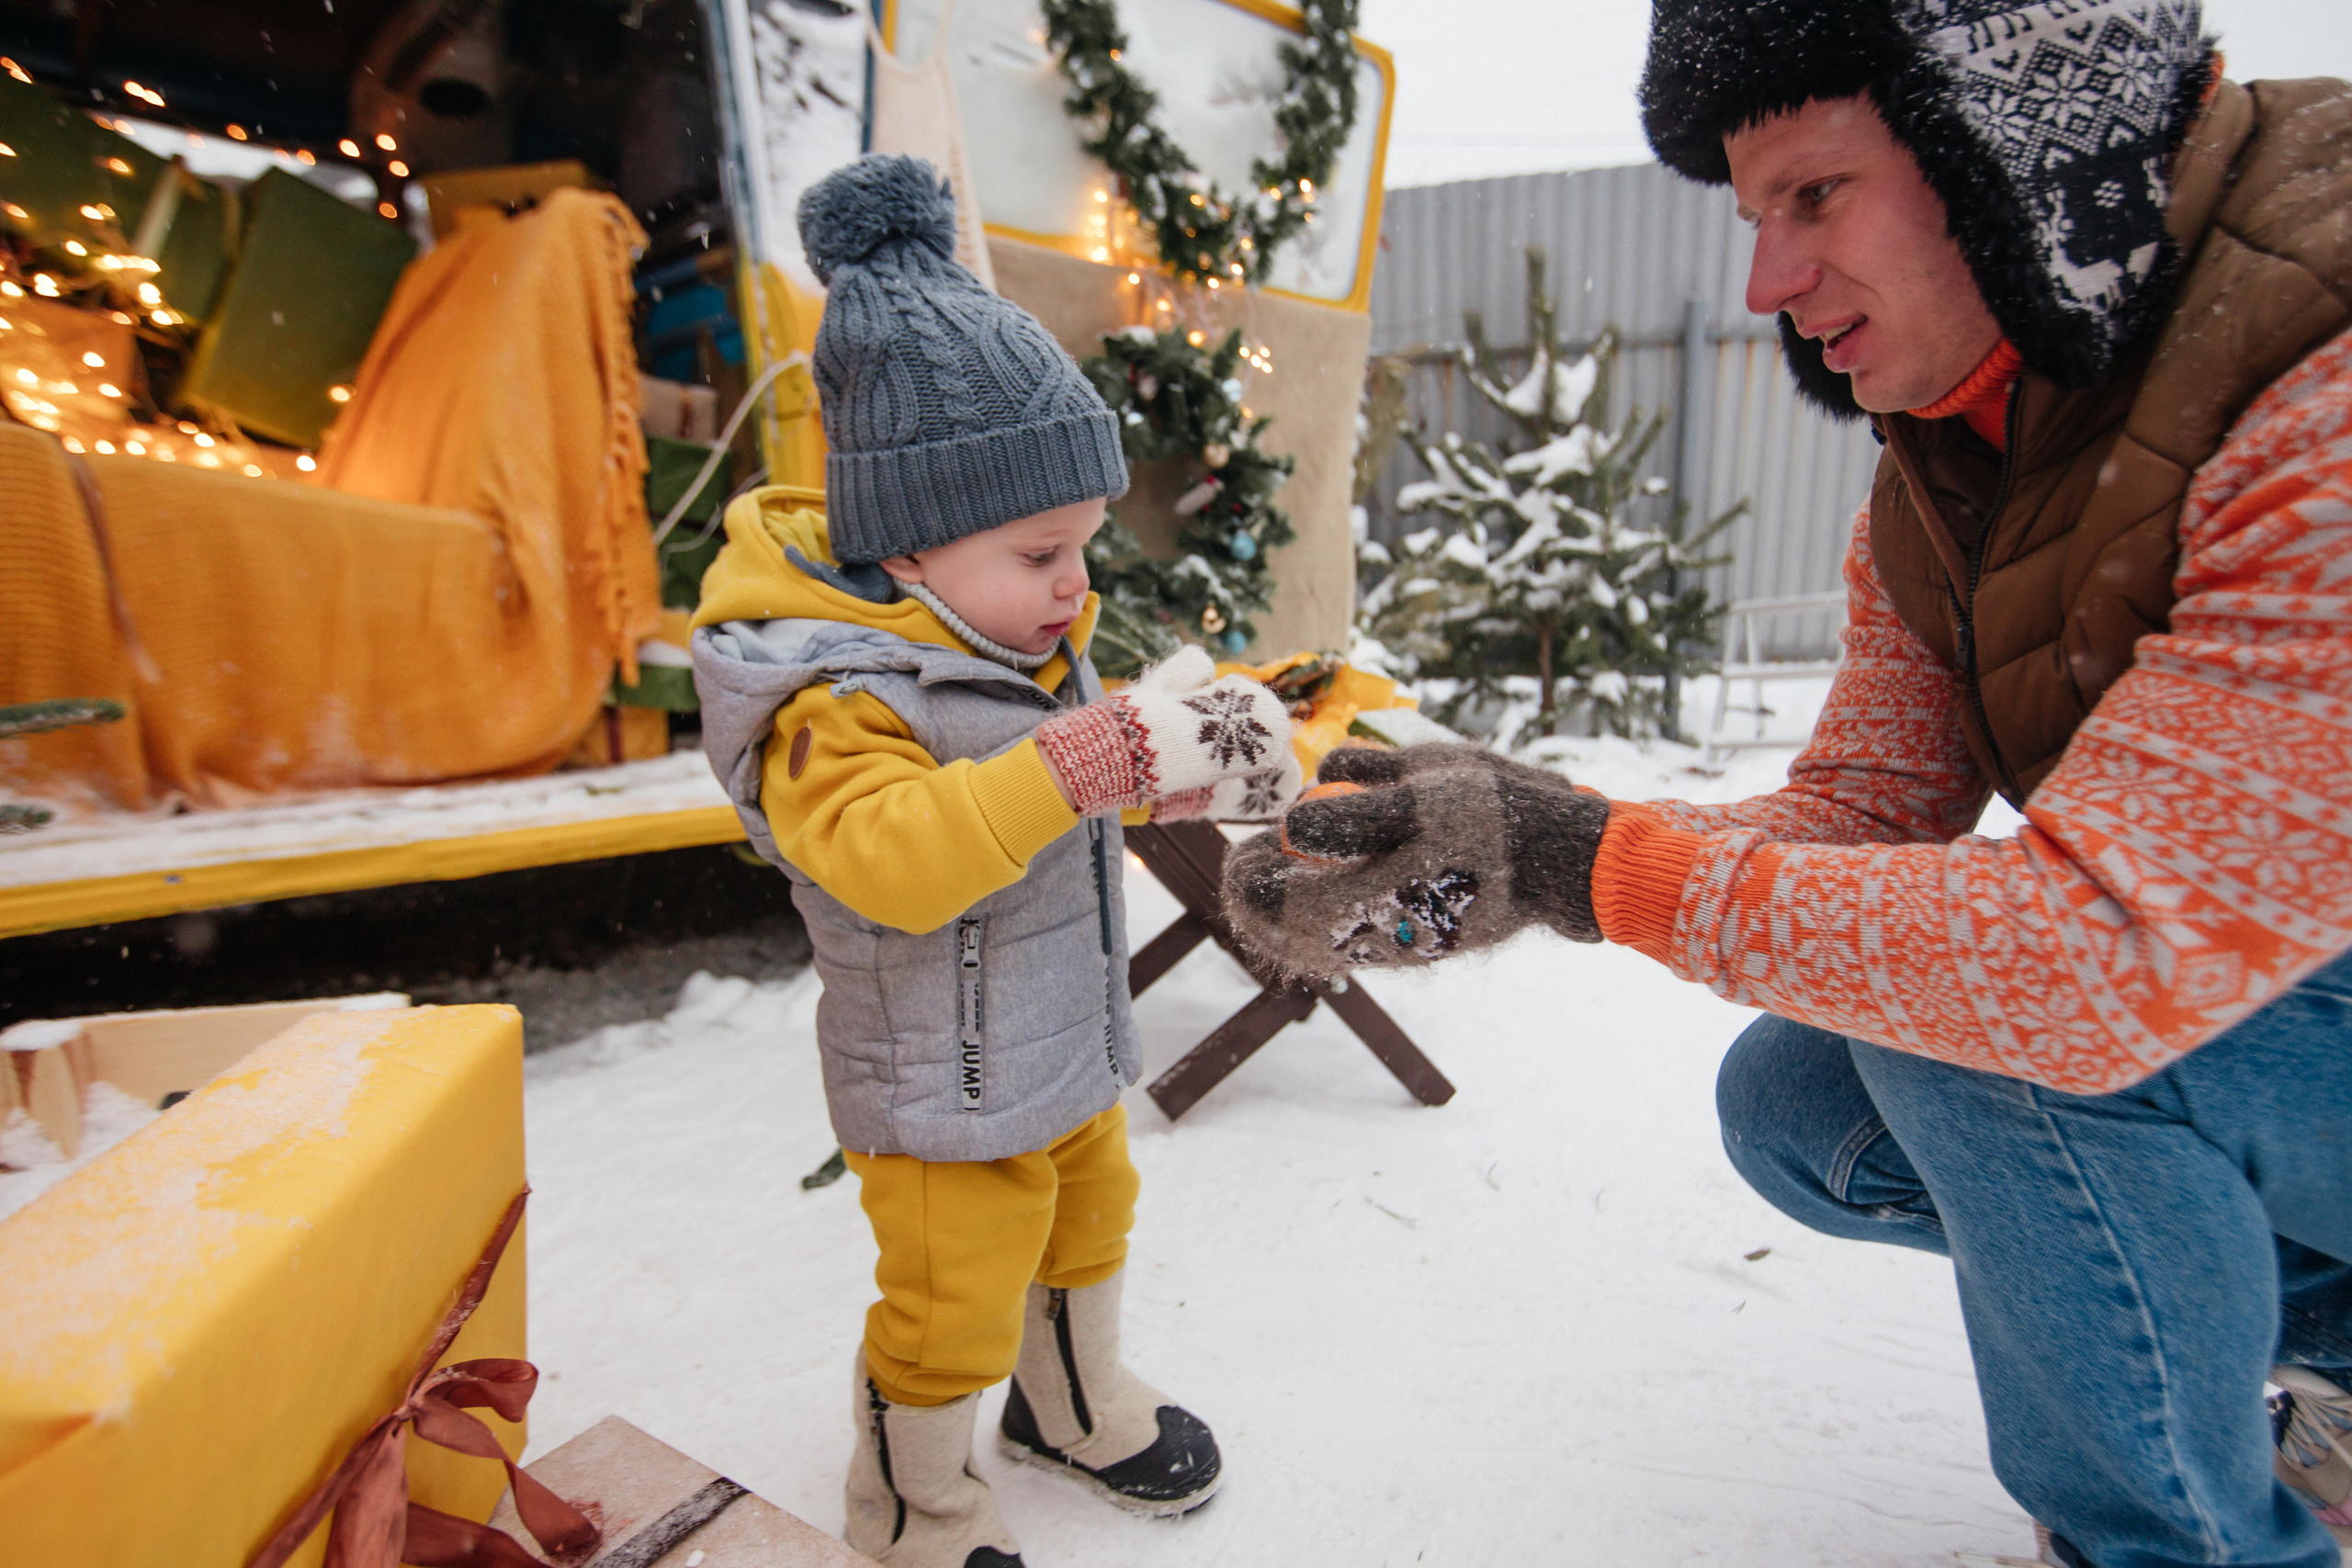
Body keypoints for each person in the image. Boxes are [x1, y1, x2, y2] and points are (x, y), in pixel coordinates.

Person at [1224, 5, 2352, 1564]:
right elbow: (1867, 804)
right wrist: (1529, 837)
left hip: (2254, 974)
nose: (1763, 282)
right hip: (2274, 1000)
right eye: (1753, 217)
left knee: (1983, 1033)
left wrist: (1599, 865)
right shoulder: (1962, 436)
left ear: (2022, 141)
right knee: (1801, 1102)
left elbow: (2095, 950)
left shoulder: (2319, 360)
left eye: (1814, 195)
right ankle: (2334, 1346)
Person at [693, 155, 1299, 1568]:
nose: (1077, 584)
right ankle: (913, 1504)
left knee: (1092, 1219)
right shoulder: (835, 701)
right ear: (908, 552)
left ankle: (1072, 1405)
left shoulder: (1007, 635)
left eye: (1084, 546)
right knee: (950, 1296)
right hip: (940, 1090)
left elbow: (1064, 789)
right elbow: (894, 864)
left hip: (1063, 1042)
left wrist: (1183, 761)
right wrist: (1075, 766)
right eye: (1043, 551)